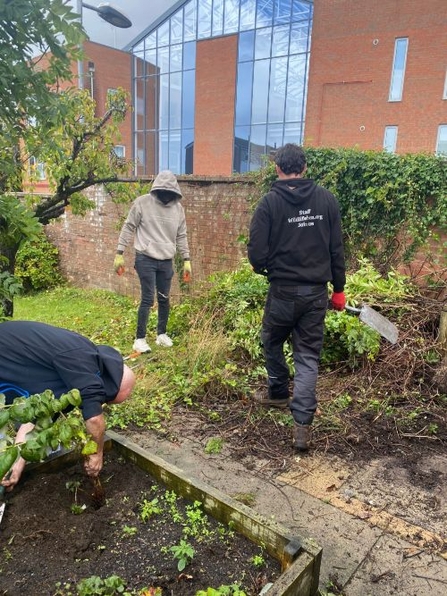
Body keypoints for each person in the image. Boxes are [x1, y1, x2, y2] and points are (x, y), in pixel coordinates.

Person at [247, 143, 346, 452]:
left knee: (271, 339)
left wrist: (265, 268)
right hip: (316, 294)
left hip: (282, 292)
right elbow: (336, 250)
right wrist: (339, 290)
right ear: (304, 168)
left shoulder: (269, 204)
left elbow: (256, 253)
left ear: (278, 169)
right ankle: (301, 424)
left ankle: (277, 392)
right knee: (307, 356)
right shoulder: (327, 200)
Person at [0, 320, 135, 492]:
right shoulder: (82, 363)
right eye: (106, 399)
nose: (102, 403)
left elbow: (38, 420)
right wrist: (97, 454)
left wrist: (17, 464)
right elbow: (94, 419)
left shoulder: (72, 379)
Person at [114, 170, 191, 353]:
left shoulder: (178, 209)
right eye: (163, 191)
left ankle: (161, 334)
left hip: (166, 260)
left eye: (169, 192)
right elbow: (128, 226)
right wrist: (119, 252)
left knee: (164, 299)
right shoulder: (142, 203)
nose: (166, 195)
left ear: (174, 191)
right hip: (145, 258)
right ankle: (139, 339)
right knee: (148, 298)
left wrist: (186, 259)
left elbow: (181, 236)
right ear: (157, 188)